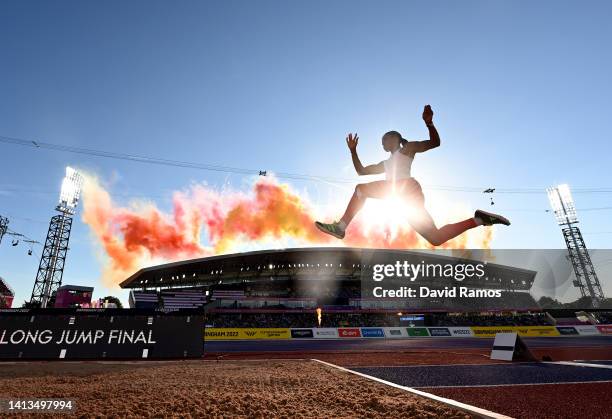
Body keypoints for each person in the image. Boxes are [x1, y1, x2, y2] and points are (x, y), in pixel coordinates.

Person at [315, 105, 510, 246]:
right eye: (381, 142)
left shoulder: (407, 149)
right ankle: (479, 220)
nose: (382, 143)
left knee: (361, 190)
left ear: (396, 138)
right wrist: (353, 151)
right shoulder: (386, 163)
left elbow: (435, 143)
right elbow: (361, 171)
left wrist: (429, 123)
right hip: (406, 198)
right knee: (435, 238)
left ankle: (341, 227)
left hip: (405, 188)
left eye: (385, 139)